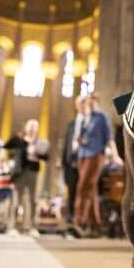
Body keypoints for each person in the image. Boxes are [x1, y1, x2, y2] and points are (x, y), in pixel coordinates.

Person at [71, 93, 117, 238]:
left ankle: (79, 222)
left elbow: (109, 137)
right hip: (82, 155)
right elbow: (79, 138)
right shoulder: (83, 118)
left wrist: (115, 155)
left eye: (86, 101)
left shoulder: (101, 117)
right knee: (91, 189)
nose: (84, 104)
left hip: (96, 154)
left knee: (83, 187)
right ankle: (94, 225)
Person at [4, 119, 49, 237]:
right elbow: (7, 145)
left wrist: (36, 153)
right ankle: (12, 226)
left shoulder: (40, 142)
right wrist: (19, 137)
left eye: (35, 126)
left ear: (37, 129)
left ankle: (31, 227)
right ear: (26, 128)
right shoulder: (20, 140)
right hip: (20, 172)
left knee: (33, 200)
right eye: (30, 126)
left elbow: (46, 157)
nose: (32, 128)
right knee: (16, 199)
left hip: (33, 172)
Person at [60, 94, 87, 230]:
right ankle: (70, 222)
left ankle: (81, 222)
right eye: (80, 103)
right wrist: (64, 164)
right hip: (71, 165)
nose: (82, 105)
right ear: (77, 106)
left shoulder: (90, 122)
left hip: (85, 163)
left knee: (82, 194)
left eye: (84, 103)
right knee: (71, 193)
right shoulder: (71, 124)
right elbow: (66, 146)